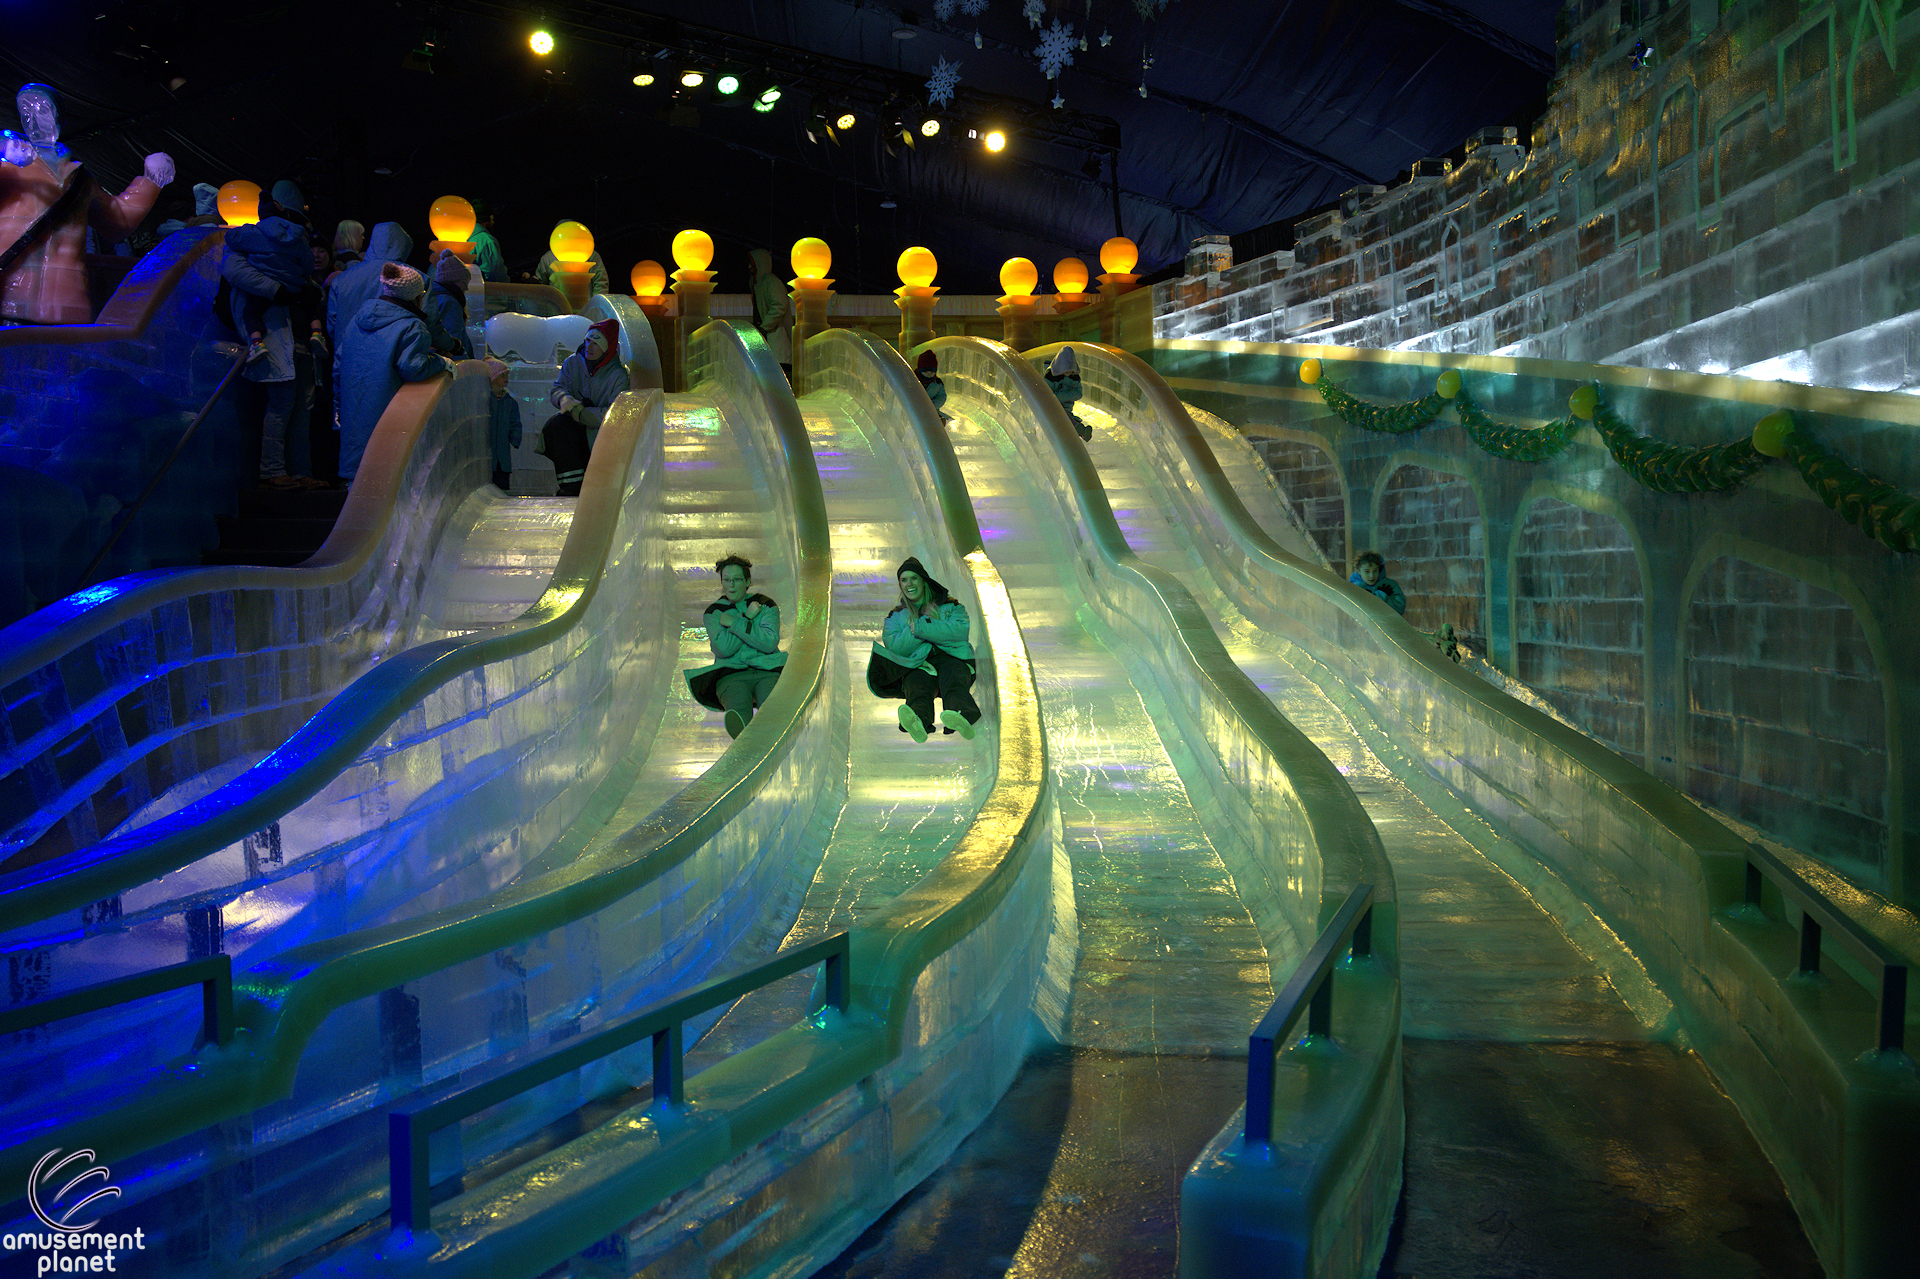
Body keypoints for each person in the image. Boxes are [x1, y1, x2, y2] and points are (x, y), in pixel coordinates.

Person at [0, 83, 174, 325]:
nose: (33, 118)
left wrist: (152, 181)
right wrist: (3, 146)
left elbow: (117, 222)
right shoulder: (9, 169)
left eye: (42, 109)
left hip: (67, 307)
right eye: (25, 110)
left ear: (59, 117)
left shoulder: (80, 179)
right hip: (10, 300)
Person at [222, 195, 324, 488]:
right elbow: (303, 271)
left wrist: (291, 290)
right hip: (282, 334)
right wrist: (289, 289)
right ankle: (276, 469)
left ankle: (297, 471)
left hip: (290, 336)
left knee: (296, 408)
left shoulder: (247, 242)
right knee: (285, 406)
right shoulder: (294, 242)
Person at [335, 262, 450, 482]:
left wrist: (339, 407)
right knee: (388, 477)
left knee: (358, 477)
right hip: (390, 414)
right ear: (416, 296)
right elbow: (413, 367)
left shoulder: (356, 322)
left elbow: (338, 365)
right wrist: (441, 362)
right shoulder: (412, 326)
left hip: (353, 410)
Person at [867, 556, 982, 743]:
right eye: (904, 580)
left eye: (914, 578)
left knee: (953, 678)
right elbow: (896, 647)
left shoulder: (950, 606)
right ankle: (918, 720)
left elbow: (959, 631)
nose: (909, 584)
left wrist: (921, 628)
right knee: (917, 684)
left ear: (923, 581)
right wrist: (924, 626)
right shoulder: (896, 616)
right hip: (920, 663)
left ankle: (962, 715)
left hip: (953, 657)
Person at [684, 554, 787, 739]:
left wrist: (734, 623)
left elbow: (768, 643)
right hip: (731, 674)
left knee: (770, 705)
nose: (731, 585)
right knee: (738, 703)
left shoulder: (765, 605)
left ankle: (770, 733)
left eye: (737, 580)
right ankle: (744, 738)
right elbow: (725, 649)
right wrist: (747, 619)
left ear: (747, 582)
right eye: (727, 580)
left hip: (766, 670)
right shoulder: (714, 612)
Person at [545, 317, 628, 497]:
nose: (589, 346)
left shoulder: (618, 376)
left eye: (596, 343)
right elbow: (558, 388)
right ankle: (571, 485)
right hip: (575, 431)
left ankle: (590, 486)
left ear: (606, 348)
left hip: (601, 436)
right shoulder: (572, 363)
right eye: (587, 340)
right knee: (556, 426)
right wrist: (563, 398)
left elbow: (615, 414)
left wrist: (581, 414)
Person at [326, 221, 414, 385]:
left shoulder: (342, 279)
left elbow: (332, 324)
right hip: (391, 361)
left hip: (348, 356)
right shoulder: (413, 278)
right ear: (403, 244)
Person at [748, 248, 792, 381]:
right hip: (768, 339)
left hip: (776, 340)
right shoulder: (757, 283)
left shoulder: (771, 282)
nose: (749, 267)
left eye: (752, 264)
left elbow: (779, 306)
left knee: (778, 379)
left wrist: (764, 326)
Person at [534, 221, 609, 295]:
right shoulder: (547, 258)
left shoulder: (590, 254)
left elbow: (600, 281)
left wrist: (596, 302)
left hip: (584, 303)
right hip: (560, 302)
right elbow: (541, 285)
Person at [484, 358, 521, 492]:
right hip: (488, 452)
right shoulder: (485, 400)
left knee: (501, 481)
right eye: (502, 375)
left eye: (506, 375)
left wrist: (515, 438)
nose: (506, 378)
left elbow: (515, 423)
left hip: (502, 453)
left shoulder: (510, 402)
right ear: (493, 377)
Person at [428, 249, 473, 358]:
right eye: (464, 283)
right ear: (453, 282)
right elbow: (453, 345)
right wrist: (465, 365)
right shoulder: (450, 303)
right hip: (453, 365)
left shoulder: (433, 297)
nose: (466, 288)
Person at [1045, 346, 1090, 441]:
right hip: (1052, 408)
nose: (1069, 371)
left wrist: (1059, 396)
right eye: (1066, 368)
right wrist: (1069, 395)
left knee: (1067, 416)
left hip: (1066, 408)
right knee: (1064, 416)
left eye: (1070, 368)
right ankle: (1080, 430)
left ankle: (1082, 432)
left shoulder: (1074, 376)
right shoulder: (1051, 376)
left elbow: (1079, 393)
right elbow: (1047, 396)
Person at [1349, 551, 1407, 615]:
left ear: (1379, 569)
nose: (1372, 575)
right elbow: (1354, 611)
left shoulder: (1390, 585)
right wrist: (1381, 596)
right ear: (1358, 571)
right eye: (1367, 571)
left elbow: (1399, 609)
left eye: (1375, 571)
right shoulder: (1354, 587)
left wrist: (1380, 598)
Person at [468, 196, 507, 283]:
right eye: (491, 219)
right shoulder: (486, 241)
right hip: (481, 291)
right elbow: (497, 277)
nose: (493, 222)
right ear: (486, 219)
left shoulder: (462, 237)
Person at [914, 350, 950, 422]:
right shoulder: (912, 381)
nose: (929, 374)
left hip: (932, 410)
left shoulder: (938, 383)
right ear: (920, 370)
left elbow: (942, 396)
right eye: (925, 371)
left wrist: (933, 404)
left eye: (932, 371)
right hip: (915, 411)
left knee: (942, 420)